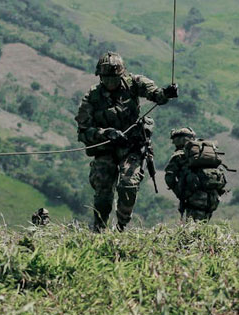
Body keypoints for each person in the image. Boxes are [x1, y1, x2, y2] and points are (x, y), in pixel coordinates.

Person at [75, 51, 177, 232]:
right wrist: (106, 133)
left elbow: (156, 94)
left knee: (129, 185)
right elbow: (83, 131)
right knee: (103, 194)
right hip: (105, 149)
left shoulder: (134, 83)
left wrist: (166, 93)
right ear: (100, 77)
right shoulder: (92, 97)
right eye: (106, 78)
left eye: (114, 78)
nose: (110, 82)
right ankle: (99, 230)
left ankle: (121, 226)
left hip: (131, 146)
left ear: (121, 75)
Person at [164, 127, 225, 221]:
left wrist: (181, 193)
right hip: (213, 198)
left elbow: (169, 178)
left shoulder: (179, 156)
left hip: (195, 199)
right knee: (203, 226)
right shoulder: (202, 152)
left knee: (193, 227)